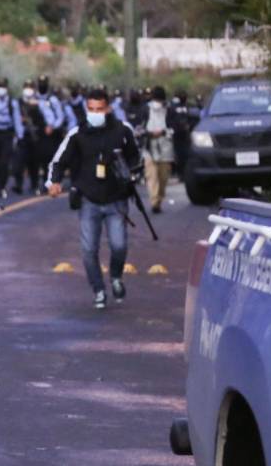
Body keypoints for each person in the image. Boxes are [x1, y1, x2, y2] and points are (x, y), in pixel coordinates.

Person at [46, 87, 142, 310]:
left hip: (116, 199)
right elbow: (58, 161)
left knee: (119, 245)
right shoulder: (77, 133)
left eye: (99, 109)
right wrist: (54, 182)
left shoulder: (122, 130)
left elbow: (136, 157)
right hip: (88, 199)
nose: (95, 113)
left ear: (107, 108)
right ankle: (98, 289)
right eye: (91, 109)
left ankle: (116, 277)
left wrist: (130, 172)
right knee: (89, 249)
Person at [136, 85, 175, 213]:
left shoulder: (170, 110)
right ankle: (154, 202)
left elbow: (175, 128)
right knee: (151, 176)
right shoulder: (145, 109)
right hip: (150, 147)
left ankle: (159, 198)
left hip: (166, 148)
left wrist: (163, 132)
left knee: (163, 177)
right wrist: (148, 134)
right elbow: (139, 127)